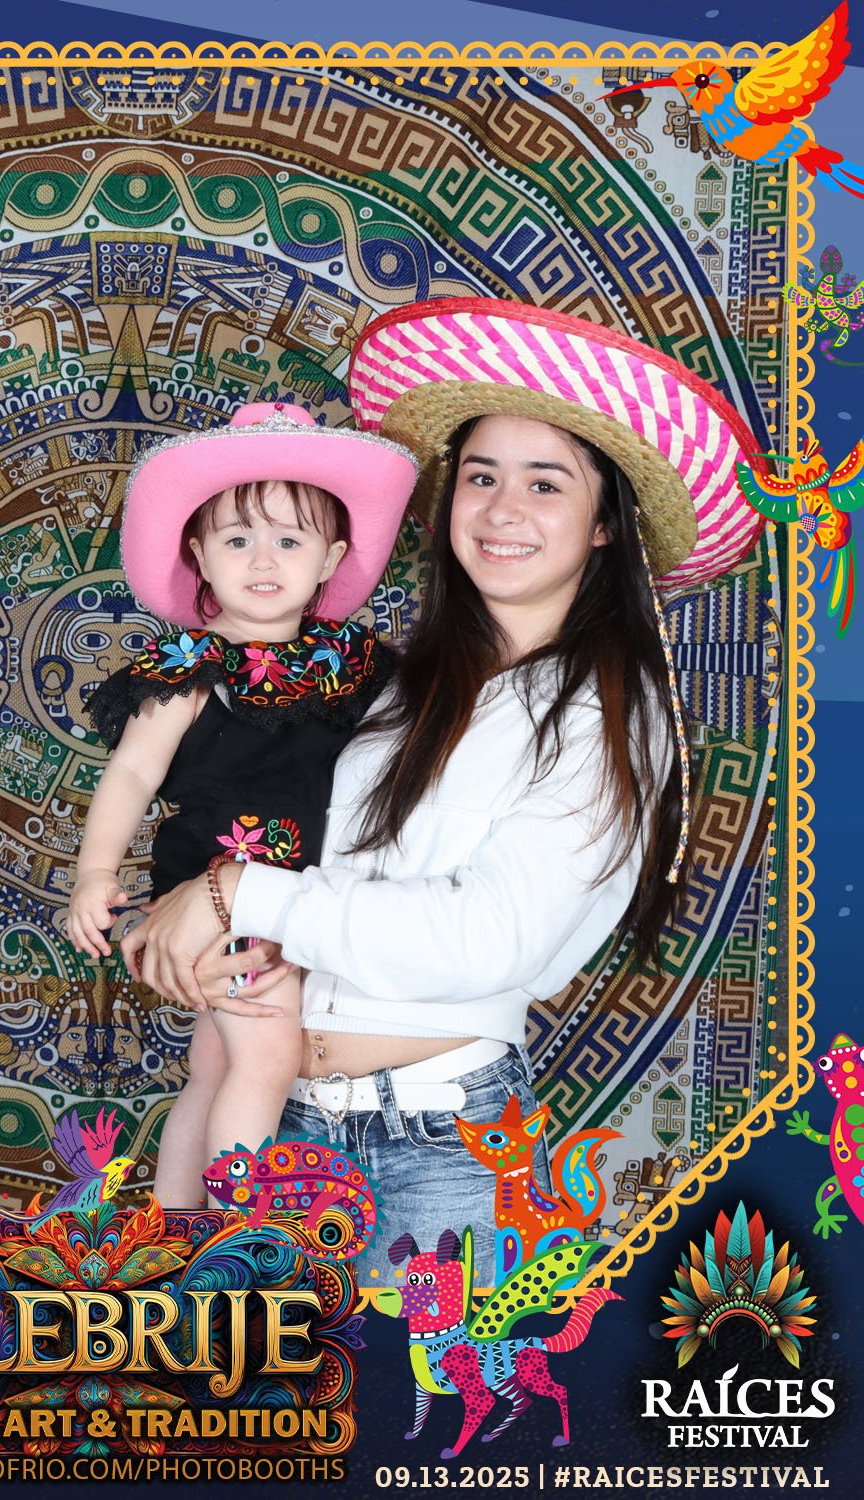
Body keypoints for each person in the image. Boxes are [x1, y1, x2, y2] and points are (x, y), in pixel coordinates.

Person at [122, 300, 764, 1275]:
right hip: (285, 1127)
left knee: (442, 1372)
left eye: (545, 484)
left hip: (444, 1153)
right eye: (481, 476)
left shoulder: (604, 713)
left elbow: (489, 938)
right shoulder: (393, 685)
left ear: (604, 525)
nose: (502, 511)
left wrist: (238, 893)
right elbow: (305, 858)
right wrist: (205, 938)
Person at [69, 401, 417, 1207]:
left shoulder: (353, 666)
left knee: (216, 1065)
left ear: (331, 559)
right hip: (221, 894)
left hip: (299, 895)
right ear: (198, 553)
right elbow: (131, 774)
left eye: (289, 541)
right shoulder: (190, 667)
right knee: (268, 1060)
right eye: (236, 540)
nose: (263, 559)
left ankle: (172, 1227)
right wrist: (94, 873)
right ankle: (237, 1234)